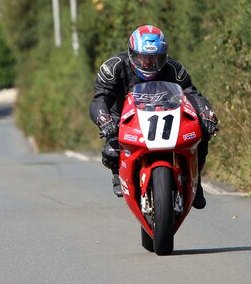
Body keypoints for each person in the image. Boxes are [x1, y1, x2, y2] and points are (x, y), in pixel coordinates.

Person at [89, 25, 218, 209]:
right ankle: (119, 173)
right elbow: (99, 98)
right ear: (132, 53)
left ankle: (195, 181)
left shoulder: (174, 69)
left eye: (155, 58)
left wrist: (206, 113)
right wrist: (104, 119)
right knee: (111, 152)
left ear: (164, 56)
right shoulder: (113, 67)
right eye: (143, 57)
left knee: (202, 133)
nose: (148, 63)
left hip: (165, 115)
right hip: (125, 119)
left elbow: (192, 93)